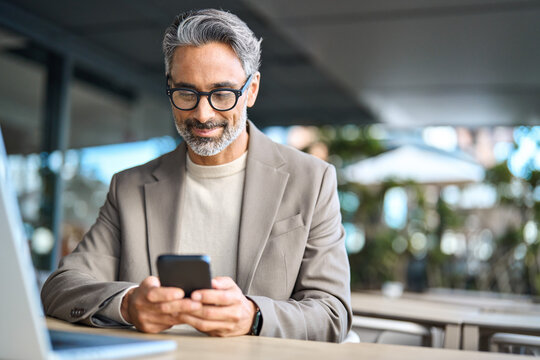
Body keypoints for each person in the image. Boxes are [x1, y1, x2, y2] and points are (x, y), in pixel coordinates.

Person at [41, 8, 352, 342]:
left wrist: (254, 316)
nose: (203, 115)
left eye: (221, 94)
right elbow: (62, 286)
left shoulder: (312, 180)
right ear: (170, 87)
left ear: (252, 89)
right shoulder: (130, 187)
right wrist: (128, 304)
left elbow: (332, 312)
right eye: (186, 93)